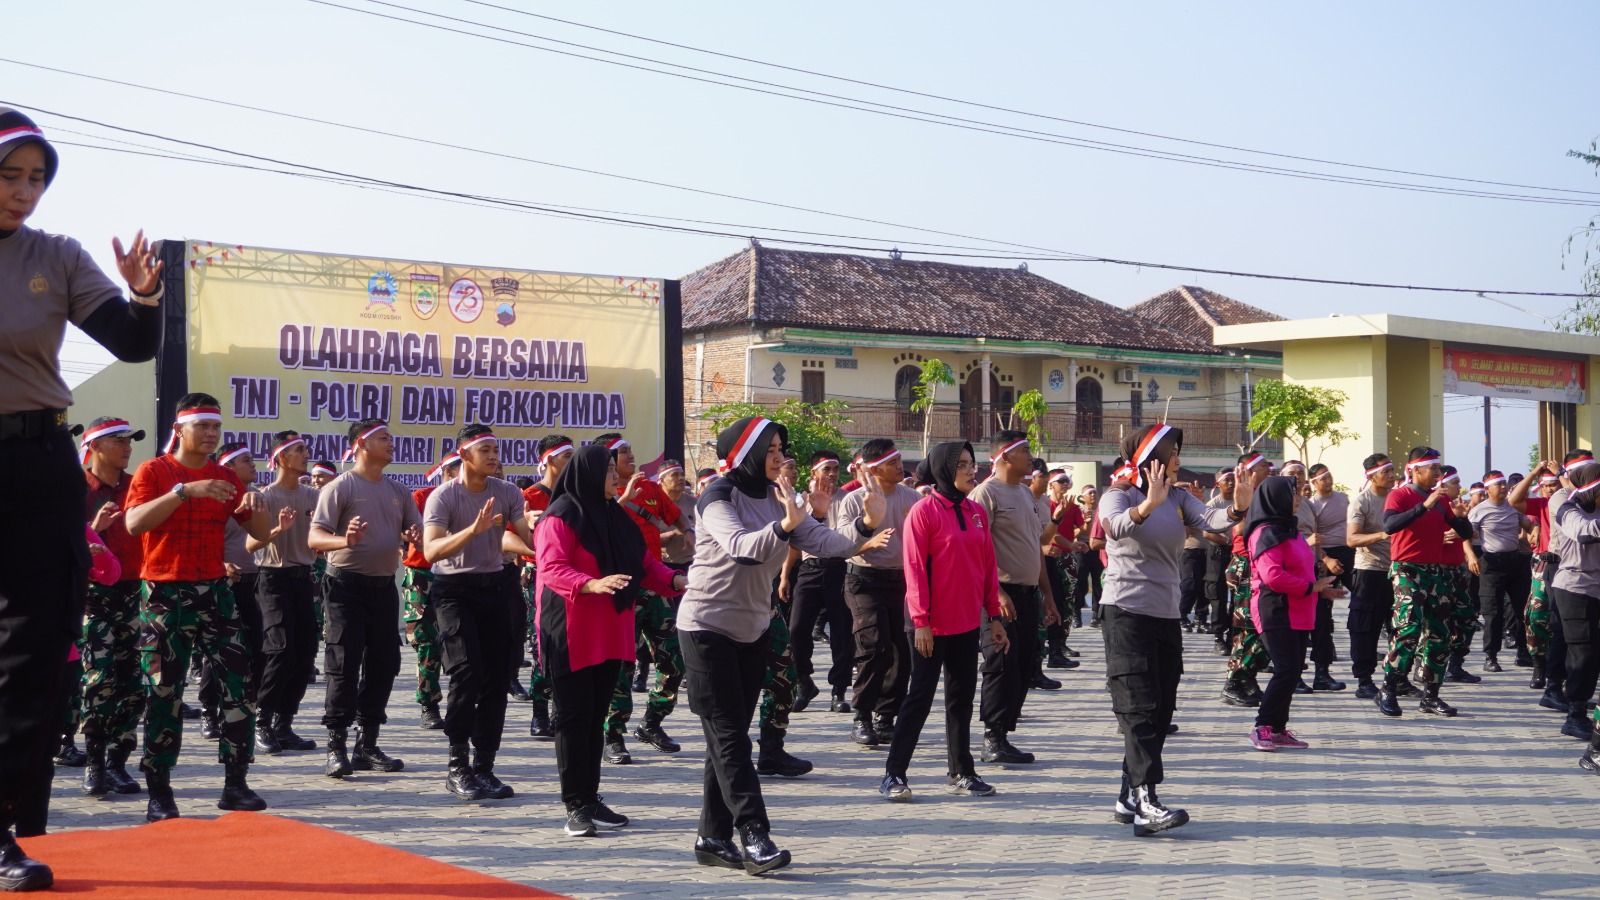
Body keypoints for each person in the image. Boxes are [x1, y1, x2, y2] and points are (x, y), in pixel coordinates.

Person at [0, 109, 167, 890]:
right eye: (10, 174)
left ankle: (2, 831)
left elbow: (132, 343)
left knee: (32, 655)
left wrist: (141, 299)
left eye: (36, 178)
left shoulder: (56, 256)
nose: (24, 192)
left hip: (37, 462)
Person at [677, 416, 890, 874]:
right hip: (705, 627)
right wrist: (785, 525)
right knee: (731, 737)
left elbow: (824, 543)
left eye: (781, 448)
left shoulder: (782, 497)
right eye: (771, 449)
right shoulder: (718, 494)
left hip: (751, 628)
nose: (780, 457)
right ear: (746, 452)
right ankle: (754, 834)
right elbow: (739, 546)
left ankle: (711, 838)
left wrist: (867, 524)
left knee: (727, 738)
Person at [123, 395, 273, 821]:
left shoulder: (225, 476)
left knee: (238, 686)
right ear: (180, 429)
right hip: (165, 595)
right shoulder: (156, 472)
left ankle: (236, 783)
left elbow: (259, 535)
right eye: (202, 427)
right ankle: (160, 791)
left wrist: (256, 510)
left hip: (215, 592)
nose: (210, 435)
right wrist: (184, 491)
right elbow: (134, 524)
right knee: (164, 693)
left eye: (216, 428)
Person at [1100, 424, 1251, 836]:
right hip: (1126, 611)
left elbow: (1212, 519)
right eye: (1173, 452)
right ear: (1153, 457)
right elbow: (1113, 526)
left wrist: (1237, 508)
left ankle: (1128, 795)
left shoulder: (1179, 496)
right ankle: (1147, 802)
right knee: (1138, 706)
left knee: (1161, 709)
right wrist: (1148, 504)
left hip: (1165, 615)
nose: (1179, 458)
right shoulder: (1119, 492)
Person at [533, 445, 686, 835]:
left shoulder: (616, 515)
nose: (615, 478)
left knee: (595, 719)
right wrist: (591, 584)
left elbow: (644, 564)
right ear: (588, 474)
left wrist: (676, 580)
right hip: (570, 629)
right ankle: (574, 805)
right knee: (573, 719)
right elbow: (552, 568)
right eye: (607, 472)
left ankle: (590, 797)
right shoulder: (559, 516)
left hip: (610, 628)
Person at [880, 441, 1007, 801]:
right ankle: (894, 774)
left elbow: (987, 567)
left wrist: (993, 616)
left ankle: (961, 772)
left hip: (967, 621)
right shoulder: (924, 511)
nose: (972, 470)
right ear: (944, 469)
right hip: (929, 625)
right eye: (963, 465)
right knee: (919, 696)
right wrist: (921, 621)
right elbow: (915, 569)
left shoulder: (976, 511)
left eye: (972, 464)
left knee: (961, 698)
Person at [422, 426, 535, 800]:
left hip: (497, 587)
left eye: (496, 450)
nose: (493, 456)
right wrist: (473, 529)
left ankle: (484, 766)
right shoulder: (444, 496)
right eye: (485, 450)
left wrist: (541, 529)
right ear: (464, 455)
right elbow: (432, 551)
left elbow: (527, 537)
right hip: (454, 591)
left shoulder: (507, 492)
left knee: (496, 678)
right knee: (465, 672)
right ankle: (457, 766)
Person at [308, 419, 420, 778]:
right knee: (343, 662)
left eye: (391, 438)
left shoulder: (399, 490)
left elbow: (413, 529)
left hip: (384, 587)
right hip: (344, 587)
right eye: (383, 438)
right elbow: (316, 538)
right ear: (361, 444)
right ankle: (335, 746)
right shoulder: (341, 487)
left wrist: (414, 533)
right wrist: (346, 541)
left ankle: (366, 745)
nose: (391, 443)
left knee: (384, 663)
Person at [967, 431, 1061, 764]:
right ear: (1005, 457)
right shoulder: (984, 494)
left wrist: (1048, 596)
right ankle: (992, 738)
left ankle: (1004, 733)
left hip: (1027, 594)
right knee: (1001, 664)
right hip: (998, 597)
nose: (1031, 456)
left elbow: (1035, 548)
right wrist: (996, 592)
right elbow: (975, 552)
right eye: (1024, 451)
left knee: (1023, 666)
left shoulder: (1025, 493)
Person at [592, 433, 686, 764]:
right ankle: (612, 736)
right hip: (616, 589)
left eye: (631, 450)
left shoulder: (648, 487)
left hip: (651, 582)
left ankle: (651, 723)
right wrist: (623, 498)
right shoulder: (594, 493)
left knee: (676, 658)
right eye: (623, 452)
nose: (631, 456)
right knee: (622, 667)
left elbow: (675, 515)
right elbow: (593, 531)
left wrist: (688, 535)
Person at [78, 417, 148, 799]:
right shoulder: (75, 488)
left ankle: (118, 763)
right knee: (99, 682)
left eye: (129, 440)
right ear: (96, 446)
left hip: (136, 592)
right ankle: (94, 761)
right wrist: (95, 525)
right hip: (93, 597)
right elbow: (59, 538)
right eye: (119, 440)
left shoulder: (139, 485)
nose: (127, 446)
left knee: (134, 683)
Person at [1244, 476, 1341, 751]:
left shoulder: (1290, 529)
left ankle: (1277, 728)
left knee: (1294, 668)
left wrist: (1320, 590)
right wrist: (1312, 586)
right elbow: (1273, 576)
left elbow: (1301, 567)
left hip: (1300, 607)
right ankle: (1261, 727)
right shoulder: (1265, 532)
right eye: (1293, 494)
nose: (1299, 499)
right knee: (1285, 668)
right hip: (1276, 608)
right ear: (1276, 498)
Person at [1373, 448, 1472, 718]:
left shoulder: (1440, 501)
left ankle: (1431, 696)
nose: (1439, 474)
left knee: (1440, 633)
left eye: (1439, 469)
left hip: (1435, 572)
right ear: (1416, 470)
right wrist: (1423, 507)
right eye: (1434, 469)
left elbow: (1465, 534)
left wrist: (1461, 517)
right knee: (1409, 628)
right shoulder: (1400, 494)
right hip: (1407, 570)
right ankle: (1388, 688)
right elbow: (1390, 525)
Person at [840, 439, 922, 748]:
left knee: (902, 652)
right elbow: (840, 543)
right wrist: (867, 544)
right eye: (893, 462)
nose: (901, 466)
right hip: (863, 581)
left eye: (900, 459)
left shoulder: (912, 498)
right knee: (875, 647)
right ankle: (861, 715)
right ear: (874, 469)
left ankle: (885, 717)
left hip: (902, 582)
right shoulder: (853, 501)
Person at [247, 432, 322, 753]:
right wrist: (278, 528)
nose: (306, 454)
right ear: (280, 458)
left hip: (302, 579)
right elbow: (251, 545)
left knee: (305, 655)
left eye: (306, 448)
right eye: (298, 450)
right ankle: (260, 721)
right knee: (280, 651)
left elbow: (324, 536)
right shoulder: (265, 497)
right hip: (272, 580)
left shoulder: (313, 497)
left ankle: (284, 724)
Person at [202, 442, 269, 755]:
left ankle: (246, 710)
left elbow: (263, 537)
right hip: (222, 583)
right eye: (245, 461)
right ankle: (208, 712)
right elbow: (207, 539)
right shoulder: (217, 497)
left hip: (253, 581)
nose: (253, 465)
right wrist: (218, 566)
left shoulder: (255, 497)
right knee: (216, 651)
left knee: (255, 647)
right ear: (228, 466)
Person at [784, 451, 855, 715]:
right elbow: (795, 542)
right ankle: (804, 681)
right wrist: (784, 575)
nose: (833, 474)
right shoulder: (802, 501)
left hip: (841, 568)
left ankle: (839, 691)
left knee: (841, 633)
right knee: (797, 628)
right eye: (827, 469)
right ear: (814, 473)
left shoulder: (850, 499)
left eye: (836, 468)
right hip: (809, 569)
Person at [521, 435, 574, 738]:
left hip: (570, 576)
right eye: (567, 457)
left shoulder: (574, 493)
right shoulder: (529, 496)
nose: (572, 463)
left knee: (566, 645)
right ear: (550, 460)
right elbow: (511, 537)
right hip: (538, 576)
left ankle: (560, 710)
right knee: (543, 644)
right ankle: (539, 710)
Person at [402, 452, 457, 732]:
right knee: (426, 643)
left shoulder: (468, 498)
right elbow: (404, 530)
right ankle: (429, 703)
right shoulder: (422, 497)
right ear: (448, 472)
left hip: (456, 575)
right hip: (422, 576)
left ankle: (461, 704)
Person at [1550, 460, 1600, 744]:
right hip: (1573, 588)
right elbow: (1585, 531)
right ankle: (1574, 716)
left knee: (1595, 654)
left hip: (1596, 588)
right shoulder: (1568, 508)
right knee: (1584, 653)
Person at [1221, 452, 1275, 707]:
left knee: (1259, 626)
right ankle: (1233, 682)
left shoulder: (1262, 492)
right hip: (1244, 566)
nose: (1269, 469)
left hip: (1259, 563)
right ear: (1251, 471)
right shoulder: (1245, 494)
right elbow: (1239, 529)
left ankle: (1248, 678)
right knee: (1247, 628)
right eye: (1264, 466)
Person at [1347, 454, 1399, 699]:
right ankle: (1364, 680)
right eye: (1386, 471)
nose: (1392, 475)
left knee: (1401, 628)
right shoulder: (1361, 501)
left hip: (1398, 572)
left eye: (1392, 470)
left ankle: (1397, 678)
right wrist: (1381, 535)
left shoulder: (1398, 499)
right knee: (1365, 628)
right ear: (1371, 475)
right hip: (1369, 572)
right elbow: (1352, 539)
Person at [1471, 470, 1529, 674]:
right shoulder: (1479, 510)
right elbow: (1465, 537)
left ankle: (1523, 652)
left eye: (1505, 484)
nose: (1504, 487)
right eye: (1499, 484)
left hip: (1516, 562)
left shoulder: (1512, 507)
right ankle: (1491, 656)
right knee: (1493, 613)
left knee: (1524, 611)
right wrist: (1470, 556)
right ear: (1488, 489)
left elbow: (1528, 524)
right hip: (1491, 565)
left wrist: (1536, 528)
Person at [1305, 463, 1351, 691]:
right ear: (1313, 482)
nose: (1328, 480)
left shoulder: (1343, 498)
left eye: (1329, 475)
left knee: (1364, 600)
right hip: (1324, 557)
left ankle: (1363, 651)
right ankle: (1320, 672)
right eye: (1323, 478)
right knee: (1321, 615)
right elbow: (1312, 539)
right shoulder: (1311, 506)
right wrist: (1325, 560)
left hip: (1349, 552)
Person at [1437, 466, 1483, 686]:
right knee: (1436, 623)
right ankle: (1424, 667)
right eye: (1456, 482)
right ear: (1443, 485)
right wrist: (1440, 536)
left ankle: (1455, 665)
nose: (1460, 486)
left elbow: (1467, 534)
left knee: (1467, 618)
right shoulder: (1433, 507)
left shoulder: (1457, 506)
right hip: (1437, 571)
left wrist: (1467, 545)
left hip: (1457, 570)